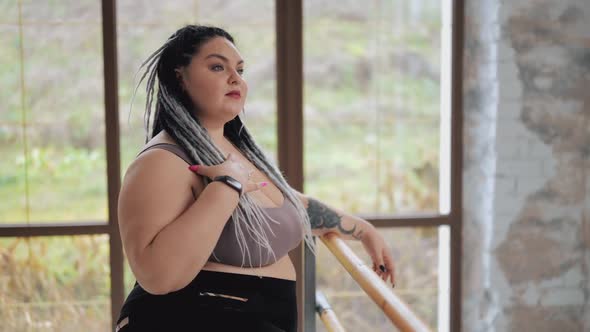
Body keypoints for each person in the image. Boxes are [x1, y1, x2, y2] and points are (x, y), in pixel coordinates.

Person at [115, 25, 396, 332]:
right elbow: (158, 276)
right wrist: (226, 188)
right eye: (218, 67)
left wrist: (359, 229)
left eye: (240, 69)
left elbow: (287, 204)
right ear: (180, 76)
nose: (235, 78)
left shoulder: (233, 151)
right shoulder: (162, 160)